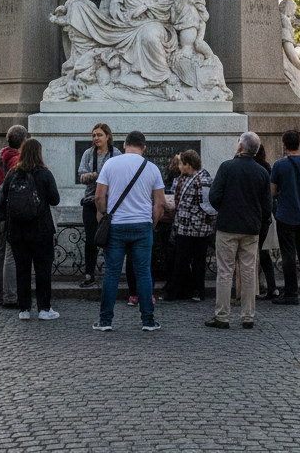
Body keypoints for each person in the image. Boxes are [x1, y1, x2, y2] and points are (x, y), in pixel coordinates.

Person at [93, 130, 165, 332]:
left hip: (116, 225)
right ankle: (148, 321)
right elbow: (160, 203)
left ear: (124, 145)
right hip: (142, 225)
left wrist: (105, 215)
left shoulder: (110, 164)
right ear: (144, 148)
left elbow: (99, 197)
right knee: (143, 273)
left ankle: (105, 321)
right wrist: (151, 225)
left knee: (112, 274)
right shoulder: (152, 168)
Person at [205, 132, 271, 329]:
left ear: (240, 147)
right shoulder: (262, 172)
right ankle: (248, 316)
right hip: (251, 228)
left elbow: (214, 196)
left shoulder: (227, 167)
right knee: (249, 272)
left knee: (225, 272)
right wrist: (257, 220)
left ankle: (222, 316)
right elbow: (267, 206)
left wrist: (225, 209)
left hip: (228, 226)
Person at [3, 138, 61, 321]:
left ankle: (24, 309)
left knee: (22, 270)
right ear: (39, 153)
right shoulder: (45, 174)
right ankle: (44, 308)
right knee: (43, 269)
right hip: (41, 229)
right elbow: (55, 199)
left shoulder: (12, 173)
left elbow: (4, 197)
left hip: (17, 230)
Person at [270, 129, 300, 305]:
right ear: (299, 144)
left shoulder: (278, 165)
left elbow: (272, 191)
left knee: (288, 255)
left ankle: (291, 293)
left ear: (284, 145)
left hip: (286, 215)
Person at [77, 123, 125, 288]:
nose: (96, 138)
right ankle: (89, 274)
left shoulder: (116, 154)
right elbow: (81, 176)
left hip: (111, 203)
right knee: (91, 240)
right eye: (94, 135)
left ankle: (111, 273)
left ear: (108, 136)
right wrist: (98, 175)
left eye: (99, 135)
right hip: (91, 201)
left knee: (111, 239)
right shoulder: (88, 154)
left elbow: (121, 177)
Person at [167, 150, 215, 303]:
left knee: (198, 261)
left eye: (181, 163)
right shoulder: (183, 178)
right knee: (181, 259)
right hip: (183, 226)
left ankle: (197, 291)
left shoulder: (204, 179)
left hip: (198, 227)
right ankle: (180, 290)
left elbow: (209, 205)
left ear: (188, 164)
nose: (179, 166)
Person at [0, 125, 27, 307]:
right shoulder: (16, 160)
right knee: (11, 255)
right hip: (9, 212)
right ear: (24, 140)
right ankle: (10, 297)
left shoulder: (0, 157)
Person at [253, 143, 279, 300]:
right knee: (264, 253)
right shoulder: (266, 167)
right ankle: (272, 287)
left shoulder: (251, 168)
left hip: (251, 215)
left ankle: (250, 289)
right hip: (264, 216)